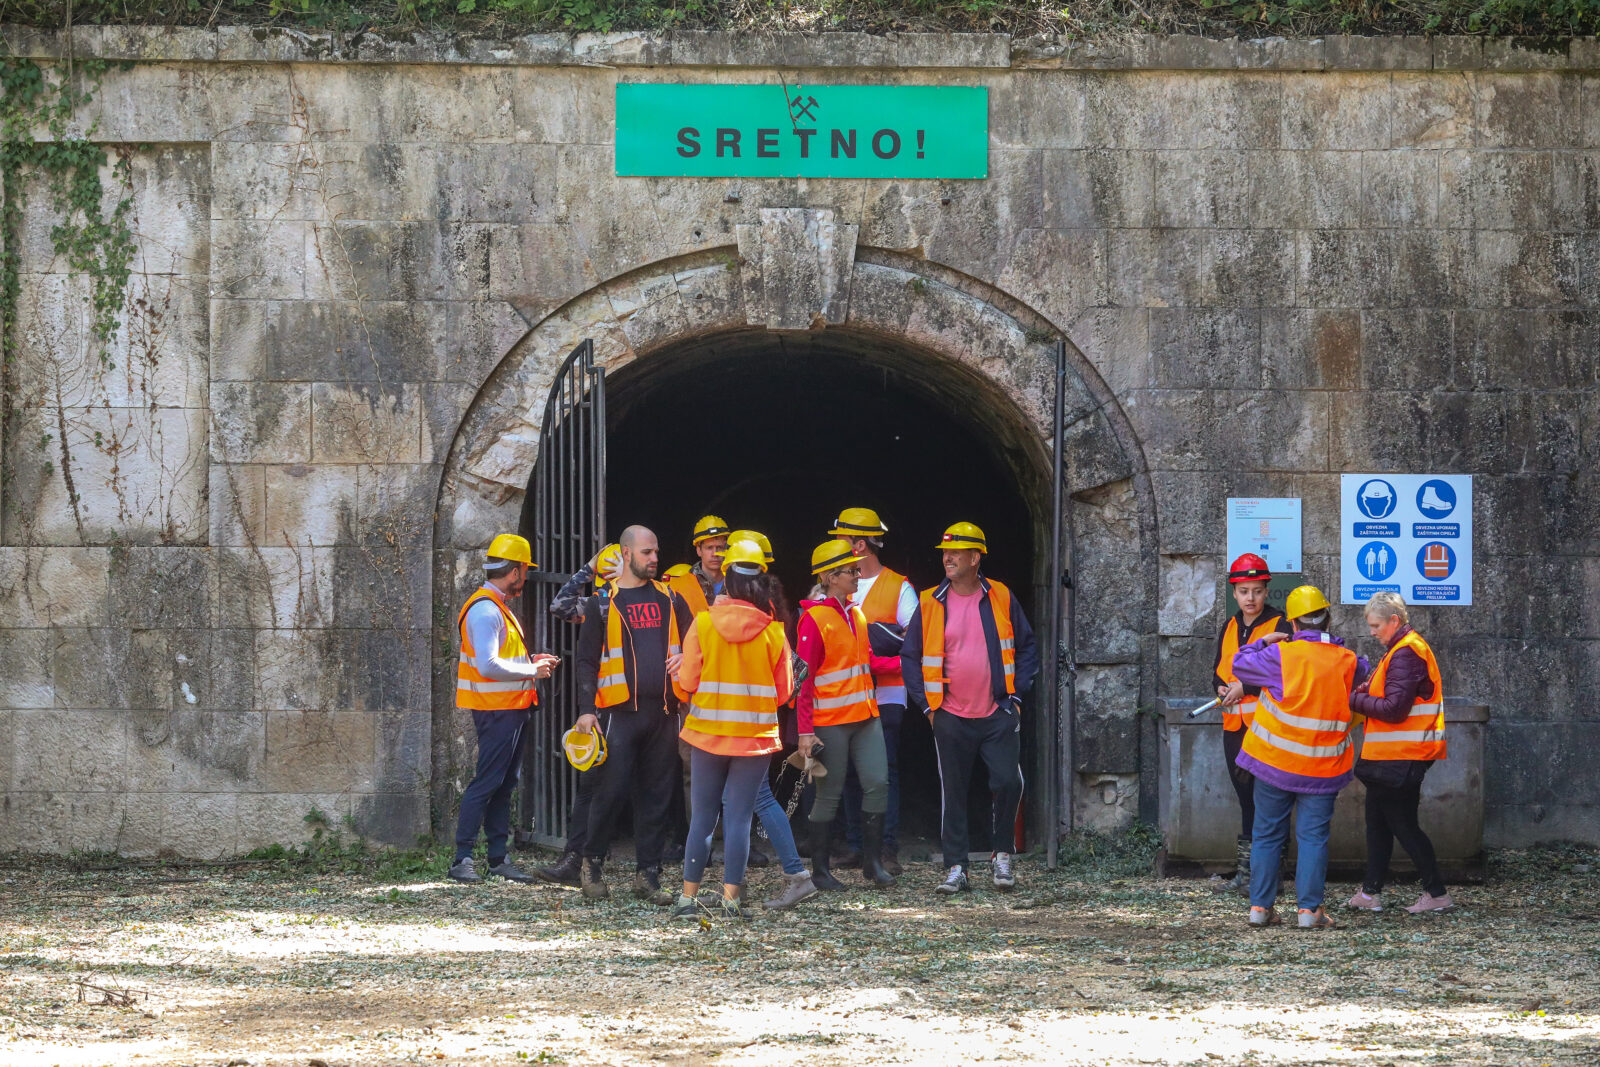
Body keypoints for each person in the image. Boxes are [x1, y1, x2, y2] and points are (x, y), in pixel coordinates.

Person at [902, 521, 1039, 895]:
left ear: (976, 558)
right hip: (949, 715)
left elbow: (1027, 647)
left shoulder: (1001, 596)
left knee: (1008, 782)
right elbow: (910, 656)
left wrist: (1016, 698)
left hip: (998, 712)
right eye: (945, 553)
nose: (947, 558)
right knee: (954, 792)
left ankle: (1001, 855)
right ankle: (956, 867)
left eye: (956, 553)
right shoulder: (930, 601)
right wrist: (928, 708)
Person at [1231, 584, 1369, 930]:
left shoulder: (1281, 655)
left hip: (1274, 764)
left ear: (1293, 624)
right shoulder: (1348, 661)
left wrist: (1264, 641)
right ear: (1328, 619)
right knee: (1313, 838)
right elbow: (1365, 673)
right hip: (1322, 768)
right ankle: (1309, 912)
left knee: (1266, 835)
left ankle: (1260, 909)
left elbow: (1240, 664)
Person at [673, 539, 797, 920]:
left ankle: (687, 900)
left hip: (706, 736)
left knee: (703, 818)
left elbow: (686, 682)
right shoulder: (774, 633)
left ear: (727, 579)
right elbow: (785, 692)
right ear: (761, 581)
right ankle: (730, 901)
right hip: (753, 743)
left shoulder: (703, 624)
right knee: (740, 819)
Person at [570, 526, 692, 905]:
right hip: (618, 714)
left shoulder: (671, 598)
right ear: (626, 554)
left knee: (657, 796)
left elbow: (696, 642)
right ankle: (591, 864)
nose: (654, 558)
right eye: (646, 552)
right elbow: (586, 661)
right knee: (610, 792)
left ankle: (648, 875)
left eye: (656, 551)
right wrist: (586, 711)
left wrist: (690, 658)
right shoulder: (602, 602)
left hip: (664, 712)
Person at [450, 533, 560, 884]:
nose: (525, 577)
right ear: (515, 571)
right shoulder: (486, 610)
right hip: (498, 710)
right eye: (525, 570)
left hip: (506, 709)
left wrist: (530, 660)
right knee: (488, 783)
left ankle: (497, 859)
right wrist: (532, 670)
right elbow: (488, 665)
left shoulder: (493, 607)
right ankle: (463, 859)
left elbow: (497, 659)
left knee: (501, 783)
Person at [797, 539, 897, 890]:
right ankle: (820, 871)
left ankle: (872, 862)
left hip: (866, 716)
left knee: (878, 784)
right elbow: (803, 681)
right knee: (829, 793)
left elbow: (868, 662)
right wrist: (805, 732)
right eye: (851, 571)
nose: (857, 575)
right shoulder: (813, 620)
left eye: (857, 569)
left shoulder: (857, 614)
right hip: (831, 722)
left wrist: (909, 664)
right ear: (829, 577)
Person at [1347, 592, 1454, 915]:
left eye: (1376, 625)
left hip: (1400, 756)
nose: (1372, 632)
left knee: (1401, 825)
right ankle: (1370, 892)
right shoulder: (1403, 649)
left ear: (1394, 621)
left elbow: (1394, 709)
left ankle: (1436, 893)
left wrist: (1351, 699)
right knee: (1380, 823)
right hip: (1395, 757)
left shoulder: (1406, 652)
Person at [829, 507, 916, 876]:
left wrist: (876, 660)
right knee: (848, 772)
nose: (834, 546)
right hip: (846, 696)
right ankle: (857, 847)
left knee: (883, 773)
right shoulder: (831, 585)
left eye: (840, 539)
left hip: (887, 696)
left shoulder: (899, 587)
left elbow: (915, 645)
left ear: (859, 545)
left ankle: (886, 848)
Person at [538, 543, 623, 887]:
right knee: (593, 784)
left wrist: (587, 569)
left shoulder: (605, 602)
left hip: (615, 704)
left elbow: (559, 604)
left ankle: (582, 860)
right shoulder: (600, 602)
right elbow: (559, 606)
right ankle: (580, 859)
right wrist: (591, 570)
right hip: (603, 703)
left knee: (603, 785)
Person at [1209, 553, 1293, 894]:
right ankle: (1247, 875)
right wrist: (1220, 687)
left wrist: (1246, 687)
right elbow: (1218, 670)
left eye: (1257, 591)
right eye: (1244, 591)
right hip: (1235, 728)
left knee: (1270, 802)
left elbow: (1287, 674)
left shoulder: (1280, 625)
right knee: (1246, 798)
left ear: (1266, 590)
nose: (1250, 598)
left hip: (1268, 728)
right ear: (1234, 592)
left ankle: (1270, 877)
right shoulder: (1229, 626)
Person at [666, 514, 731, 617]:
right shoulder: (679, 587)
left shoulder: (739, 583)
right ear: (699, 550)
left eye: (719, 547)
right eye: (709, 548)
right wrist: (711, 610)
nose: (715, 554)